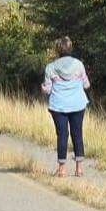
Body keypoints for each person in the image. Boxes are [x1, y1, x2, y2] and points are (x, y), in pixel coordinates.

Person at [41, 37, 90, 177]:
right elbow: (86, 85)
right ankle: (79, 168)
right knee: (77, 133)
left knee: (62, 135)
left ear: (58, 50)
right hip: (77, 104)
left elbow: (48, 89)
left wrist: (43, 88)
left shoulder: (50, 67)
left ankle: (62, 169)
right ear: (70, 48)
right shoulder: (79, 64)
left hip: (58, 105)